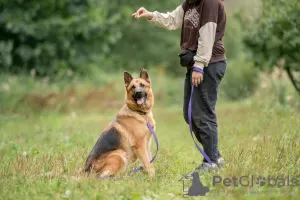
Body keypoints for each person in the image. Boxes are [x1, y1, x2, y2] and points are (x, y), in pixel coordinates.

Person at [132, 0, 226, 172]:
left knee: (203, 113)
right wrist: (151, 15)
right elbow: (172, 20)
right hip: (195, 66)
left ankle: (211, 161)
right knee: (189, 114)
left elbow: (207, 34)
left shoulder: (210, 3)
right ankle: (214, 157)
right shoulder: (189, 3)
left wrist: (199, 65)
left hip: (209, 65)